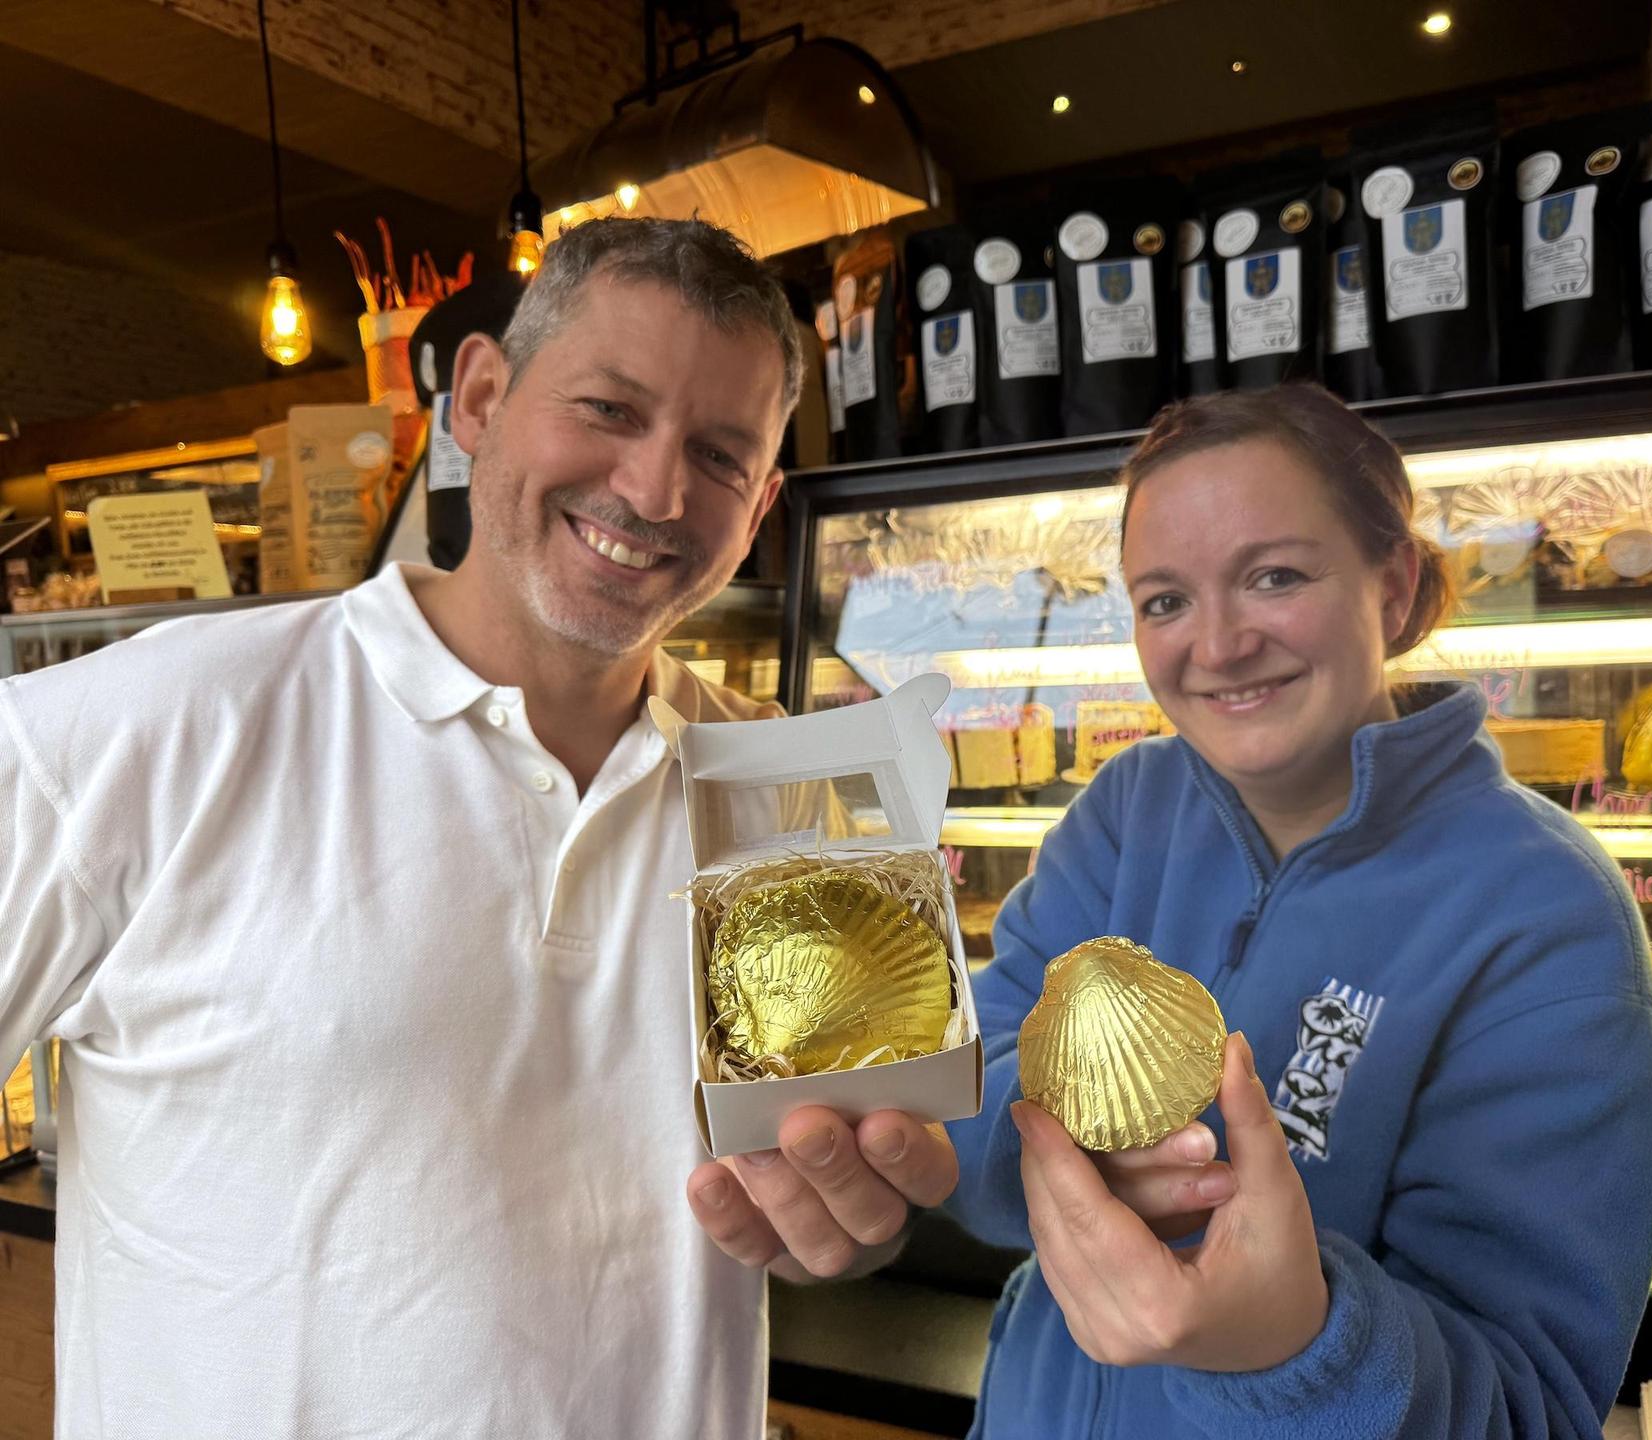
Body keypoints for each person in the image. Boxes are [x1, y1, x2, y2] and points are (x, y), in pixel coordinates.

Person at [0, 217, 952, 1440]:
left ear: (762, 503)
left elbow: (835, 1206)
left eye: (718, 456)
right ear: (484, 398)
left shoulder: (795, 795)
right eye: (608, 409)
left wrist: (851, 1219)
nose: (654, 491)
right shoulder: (139, 728)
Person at [941, 386, 1652, 1438]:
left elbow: (1531, 1411)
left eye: (1274, 576)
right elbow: (974, 1090)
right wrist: (1060, 1151)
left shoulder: (1547, 919)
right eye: (1165, 600)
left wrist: (1295, 1344)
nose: (1218, 644)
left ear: (1394, 586)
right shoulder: (1126, 811)